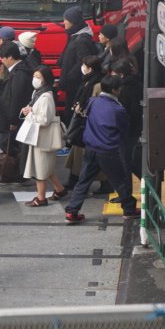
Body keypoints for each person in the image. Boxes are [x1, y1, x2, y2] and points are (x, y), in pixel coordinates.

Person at [63, 74, 136, 223]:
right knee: (119, 180)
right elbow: (124, 130)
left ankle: (72, 210)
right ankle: (129, 209)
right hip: (108, 150)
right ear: (116, 90)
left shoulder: (92, 102)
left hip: (91, 147)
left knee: (83, 180)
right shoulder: (118, 110)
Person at [20, 64, 67, 204]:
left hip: (43, 137)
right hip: (39, 137)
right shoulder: (38, 93)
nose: (35, 79)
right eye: (34, 76)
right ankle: (60, 189)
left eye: (38, 77)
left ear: (45, 79)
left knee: (41, 169)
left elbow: (45, 120)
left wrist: (31, 113)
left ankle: (41, 198)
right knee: (46, 167)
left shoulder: (46, 96)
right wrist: (28, 110)